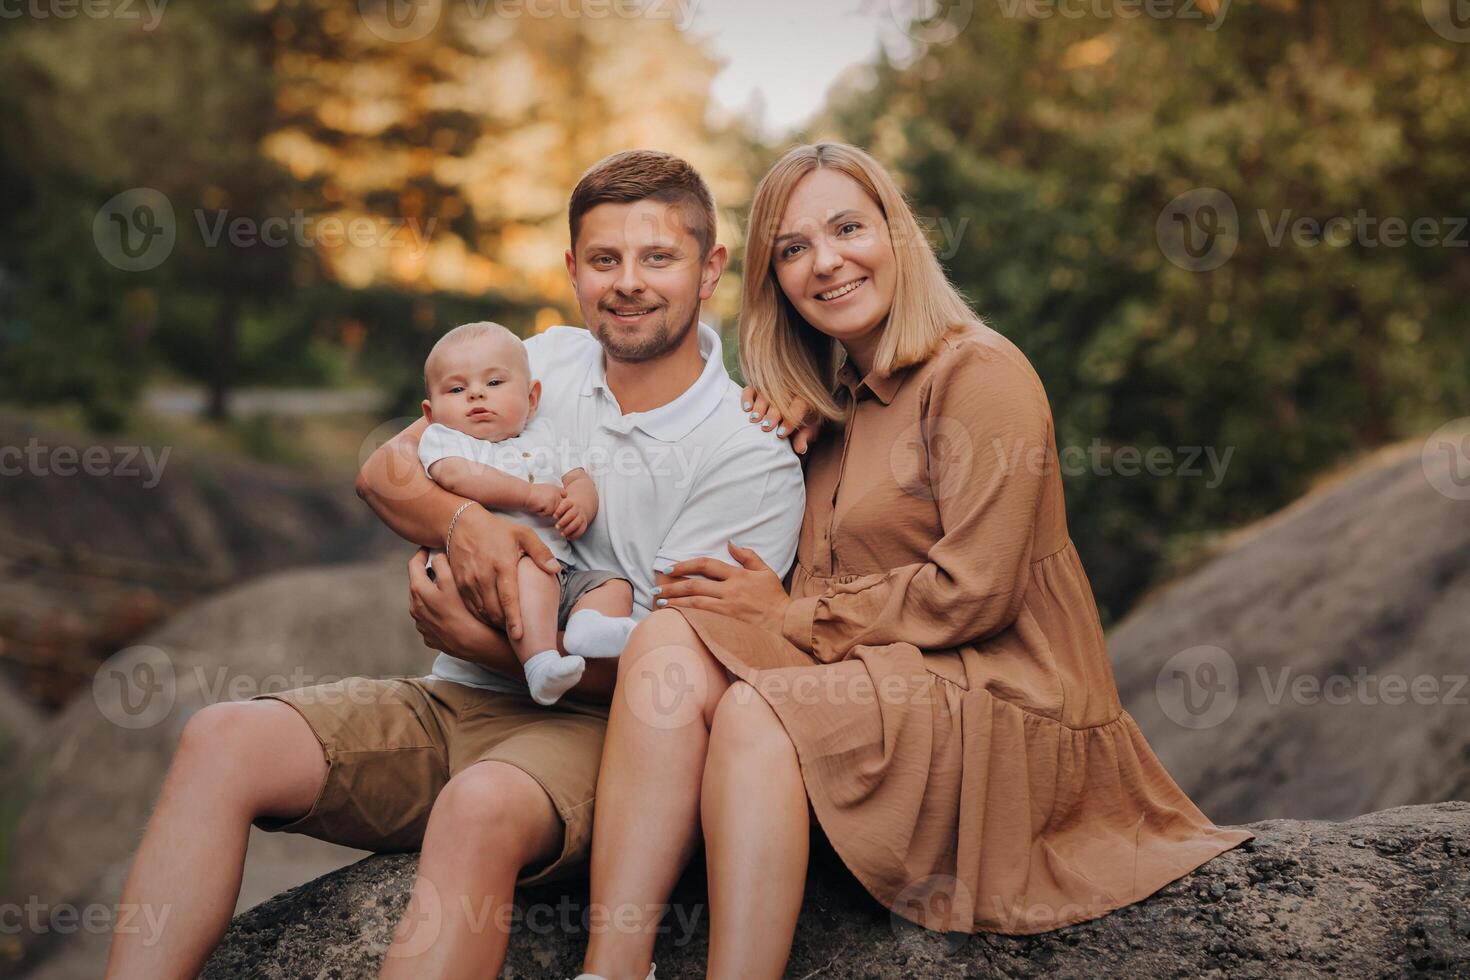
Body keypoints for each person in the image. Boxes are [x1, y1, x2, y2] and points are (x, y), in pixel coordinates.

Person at [104, 149, 804, 980]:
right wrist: (467, 522)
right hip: (451, 699)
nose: (629, 283)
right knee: (221, 736)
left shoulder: (746, 454)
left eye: (659, 257)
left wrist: (490, 643)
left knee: (475, 810)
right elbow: (385, 473)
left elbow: (674, 690)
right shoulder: (541, 362)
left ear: (710, 267)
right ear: (573, 269)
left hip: (600, 741)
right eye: (605, 259)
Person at [577, 143, 1254, 980]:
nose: (824, 262)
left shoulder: (981, 374)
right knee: (669, 637)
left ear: (897, 235)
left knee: (760, 714)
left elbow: (977, 593)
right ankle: (611, 968)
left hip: (1005, 693)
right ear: (773, 279)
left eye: (847, 228)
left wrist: (787, 615)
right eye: (792, 249)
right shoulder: (826, 408)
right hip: (882, 677)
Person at [416, 320, 635, 705]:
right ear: (431, 413)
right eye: (457, 388)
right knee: (533, 570)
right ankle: (540, 664)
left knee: (613, 585)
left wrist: (580, 506)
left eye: (494, 383)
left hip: (561, 575)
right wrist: (529, 495)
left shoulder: (545, 433)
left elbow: (578, 477)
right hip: (493, 576)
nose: (476, 395)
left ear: (532, 398)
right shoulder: (447, 440)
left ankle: (587, 628)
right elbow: (456, 476)